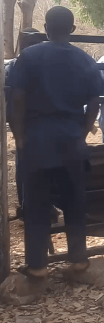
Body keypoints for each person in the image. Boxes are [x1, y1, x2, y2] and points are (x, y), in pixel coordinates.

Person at [10, 6, 104, 280]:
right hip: (71, 138)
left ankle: (38, 266)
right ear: (73, 29)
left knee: (37, 203)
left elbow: (17, 98)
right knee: (75, 200)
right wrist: (83, 132)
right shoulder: (84, 59)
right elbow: (95, 102)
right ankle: (78, 261)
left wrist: (19, 137)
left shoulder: (29, 56)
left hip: (37, 139)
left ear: (46, 27)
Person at [5, 28, 44, 217]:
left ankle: (28, 206)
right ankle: (35, 205)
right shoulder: (48, 64)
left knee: (25, 165)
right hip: (38, 123)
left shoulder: (14, 65)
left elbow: (11, 101)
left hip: (27, 124)